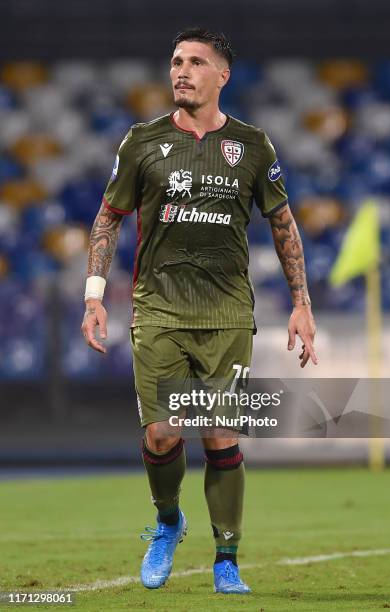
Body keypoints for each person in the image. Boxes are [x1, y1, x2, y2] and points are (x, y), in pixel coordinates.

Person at [81, 27, 317, 595]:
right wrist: (93, 294)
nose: (180, 71)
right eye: (175, 62)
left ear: (222, 75)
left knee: (218, 435)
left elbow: (283, 224)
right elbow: (109, 217)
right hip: (157, 308)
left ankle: (226, 559)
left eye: (194, 62)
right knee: (163, 434)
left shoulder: (253, 146)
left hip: (228, 313)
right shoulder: (142, 141)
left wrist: (302, 304)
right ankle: (168, 522)